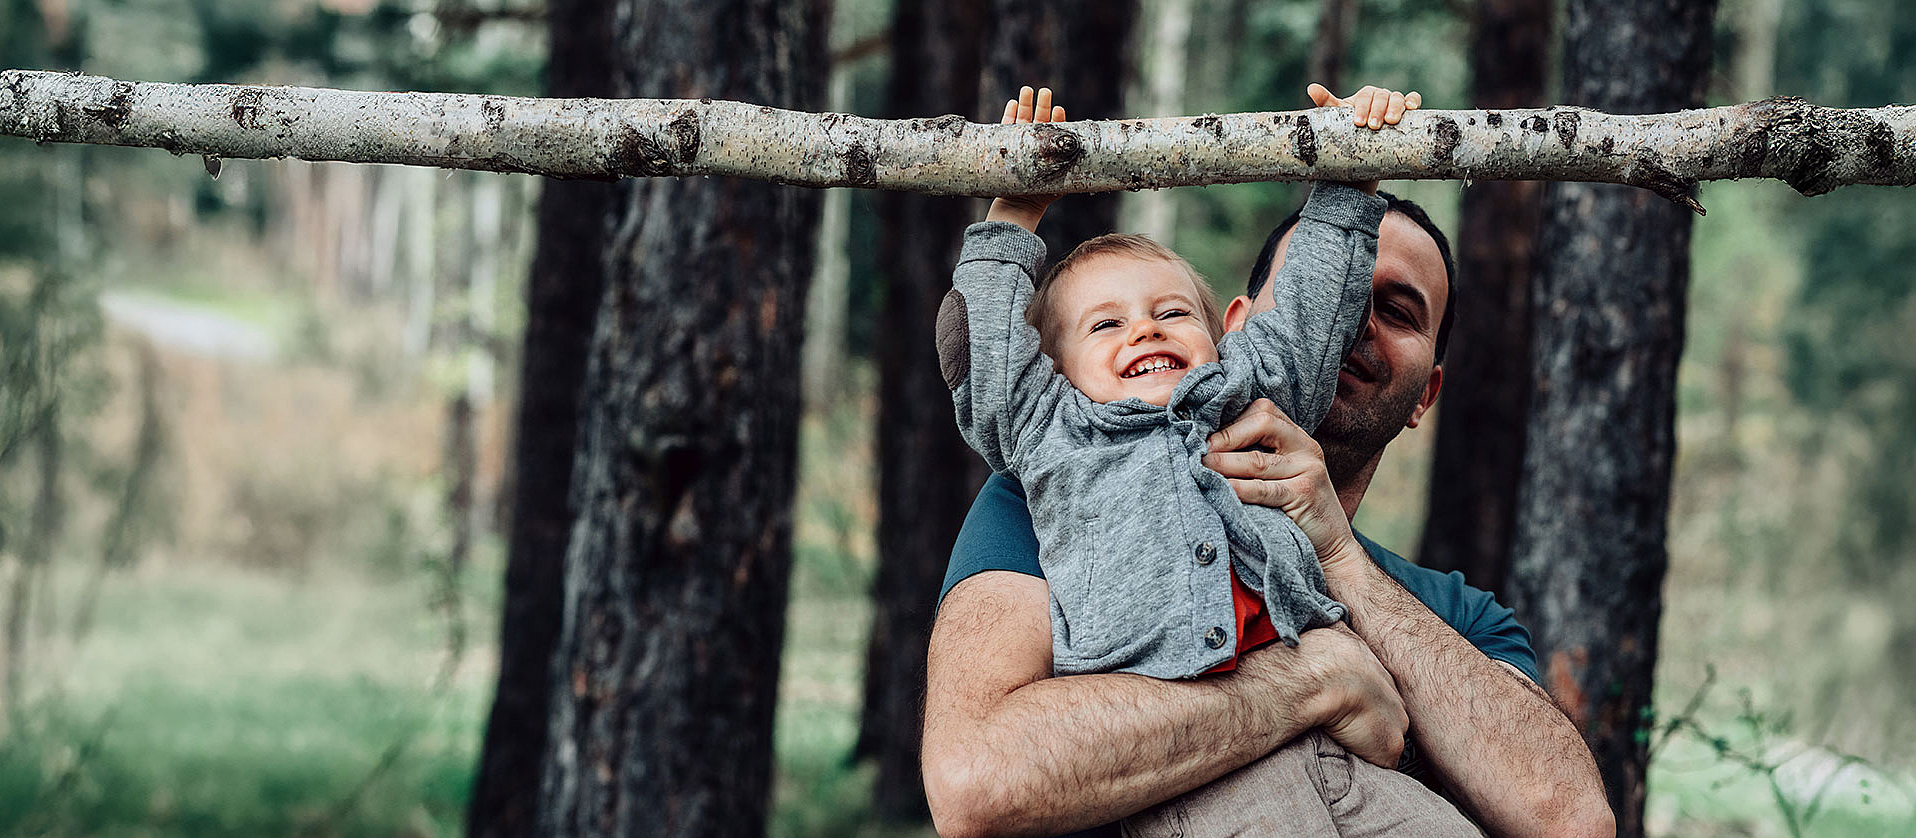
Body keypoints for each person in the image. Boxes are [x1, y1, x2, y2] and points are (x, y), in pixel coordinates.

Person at [921, 86, 1615, 838]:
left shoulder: (1457, 616)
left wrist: (1339, 557)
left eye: (1399, 311)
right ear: (1243, 327)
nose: (1355, 325)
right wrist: (1315, 683)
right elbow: (974, 785)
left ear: (1428, 396)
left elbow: (1570, 821)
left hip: (1365, 793)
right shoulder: (1046, 488)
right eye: (1108, 324)